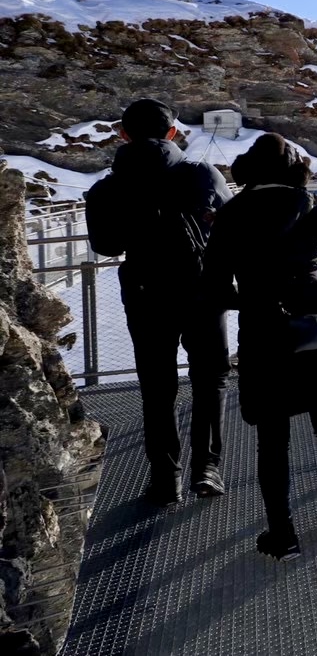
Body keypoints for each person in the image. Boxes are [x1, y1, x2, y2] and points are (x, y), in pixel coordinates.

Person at [202, 133, 317, 560]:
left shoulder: (230, 215)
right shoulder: (307, 208)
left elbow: (215, 288)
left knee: (272, 439)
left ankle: (283, 534)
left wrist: (251, 299)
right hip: (311, 326)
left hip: (261, 333)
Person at [84, 98, 232, 504]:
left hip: (146, 292)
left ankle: (165, 480)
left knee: (156, 386)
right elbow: (231, 228)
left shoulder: (106, 189)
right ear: (172, 134)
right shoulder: (201, 173)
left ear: (123, 135)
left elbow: (107, 245)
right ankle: (208, 468)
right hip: (202, 290)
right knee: (211, 378)